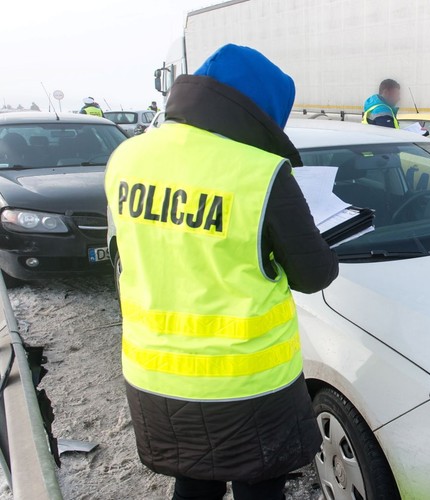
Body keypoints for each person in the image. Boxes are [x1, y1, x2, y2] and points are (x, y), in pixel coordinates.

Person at [104, 44, 339, 500]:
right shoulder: (260, 172)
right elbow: (314, 275)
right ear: (262, 112)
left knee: (193, 481)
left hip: (155, 375)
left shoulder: (126, 158)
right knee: (259, 487)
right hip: (248, 383)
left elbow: (123, 256)